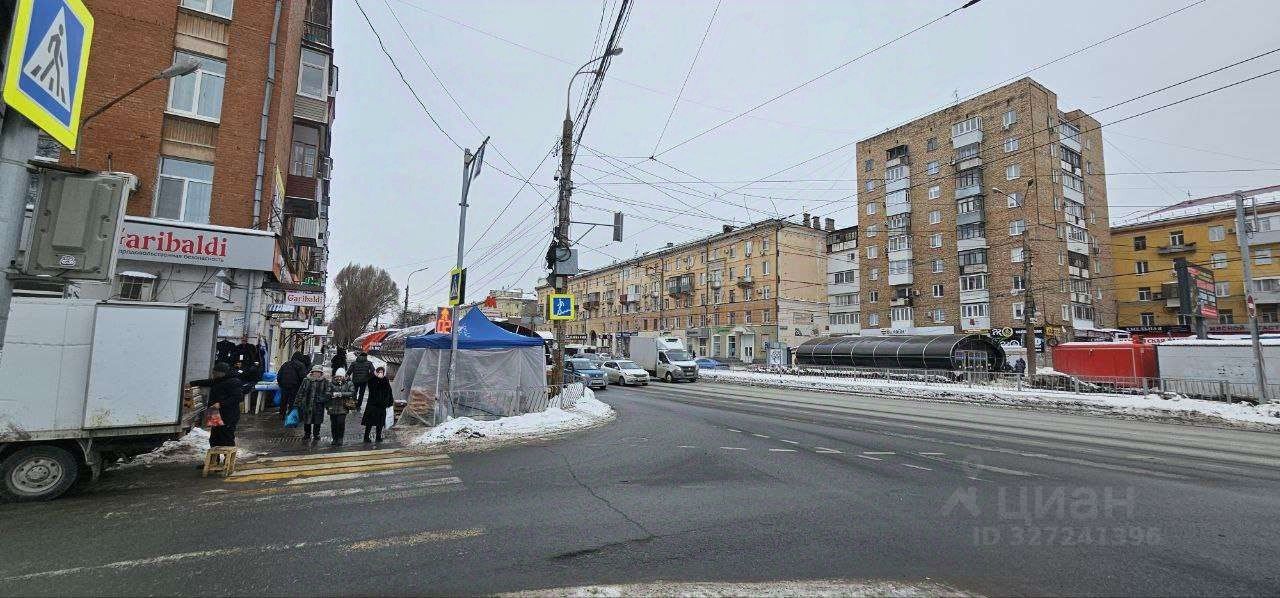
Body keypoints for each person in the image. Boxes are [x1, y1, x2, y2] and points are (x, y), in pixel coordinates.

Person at [189, 362, 244, 448]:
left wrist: (221, 404)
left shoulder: (234, 382)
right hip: (214, 412)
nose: (213, 375)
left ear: (221, 373)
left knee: (226, 437)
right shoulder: (218, 380)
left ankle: (227, 455)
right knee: (214, 438)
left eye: (215, 373)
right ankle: (215, 455)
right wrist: (191, 383)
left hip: (228, 415)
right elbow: (207, 382)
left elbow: (238, 397)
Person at [296, 365, 331, 445]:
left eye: (318, 372)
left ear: (321, 373)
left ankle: (316, 434)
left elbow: (328, 393)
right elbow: (301, 391)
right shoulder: (306, 380)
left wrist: (323, 400)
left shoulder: (325, 381)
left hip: (318, 405)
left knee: (317, 421)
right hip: (307, 403)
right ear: (312, 372)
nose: (316, 373)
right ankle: (307, 434)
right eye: (315, 372)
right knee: (306, 420)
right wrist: (297, 402)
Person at [363, 366, 394, 444]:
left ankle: (378, 437)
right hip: (372, 405)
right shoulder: (372, 379)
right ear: (376, 373)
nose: (380, 373)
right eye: (379, 372)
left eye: (382, 372)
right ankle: (366, 437)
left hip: (382, 406)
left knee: (380, 423)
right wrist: (376, 377)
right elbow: (371, 387)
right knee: (369, 422)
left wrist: (390, 402)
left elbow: (389, 391)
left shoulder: (385, 380)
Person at [276, 351, 309, 420]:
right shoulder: (301, 365)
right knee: (293, 402)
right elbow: (303, 377)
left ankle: (281, 415)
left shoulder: (285, 364)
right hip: (295, 387)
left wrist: (281, 384)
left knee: (283, 401)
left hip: (284, 386)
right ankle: (290, 417)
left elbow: (279, 375)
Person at [328, 368, 354, 446]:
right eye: (338, 376)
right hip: (333, 406)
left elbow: (352, 392)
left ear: (344, 376)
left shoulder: (349, 383)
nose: (339, 378)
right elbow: (327, 392)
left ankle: (340, 438)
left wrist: (341, 394)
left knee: (340, 423)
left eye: (341, 376)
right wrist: (332, 394)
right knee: (333, 424)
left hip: (343, 406)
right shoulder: (331, 383)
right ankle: (334, 438)